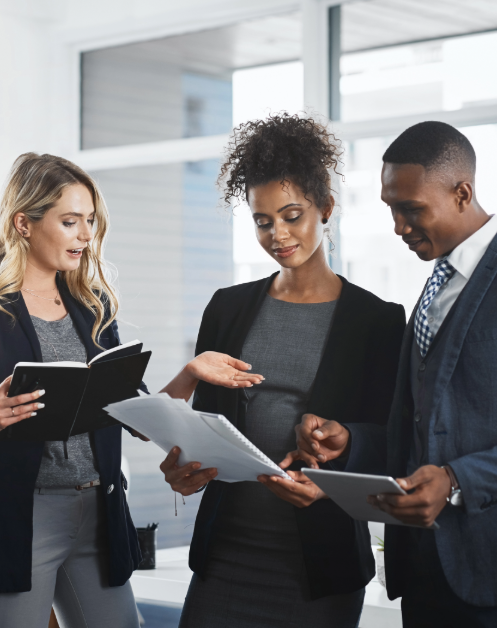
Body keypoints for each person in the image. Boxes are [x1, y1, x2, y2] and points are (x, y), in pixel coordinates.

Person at [0, 153, 253, 628]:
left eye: (90, 221)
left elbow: (139, 416)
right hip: (14, 523)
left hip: (98, 514)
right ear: (23, 223)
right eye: (70, 221)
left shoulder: (92, 306)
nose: (86, 236)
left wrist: (192, 372)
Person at [295, 121, 497, 627]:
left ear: (462, 193)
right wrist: (350, 443)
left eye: (412, 208)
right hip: (424, 577)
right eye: (391, 208)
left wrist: (457, 479)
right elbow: (424, 434)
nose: (398, 225)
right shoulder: (433, 291)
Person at [158, 113, 405, 628]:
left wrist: (336, 465)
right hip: (225, 556)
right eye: (262, 220)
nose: (278, 234)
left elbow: (392, 440)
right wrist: (186, 469)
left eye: (292, 215)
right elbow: (207, 425)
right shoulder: (226, 308)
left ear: (327, 208)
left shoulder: (377, 320)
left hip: (319, 563)